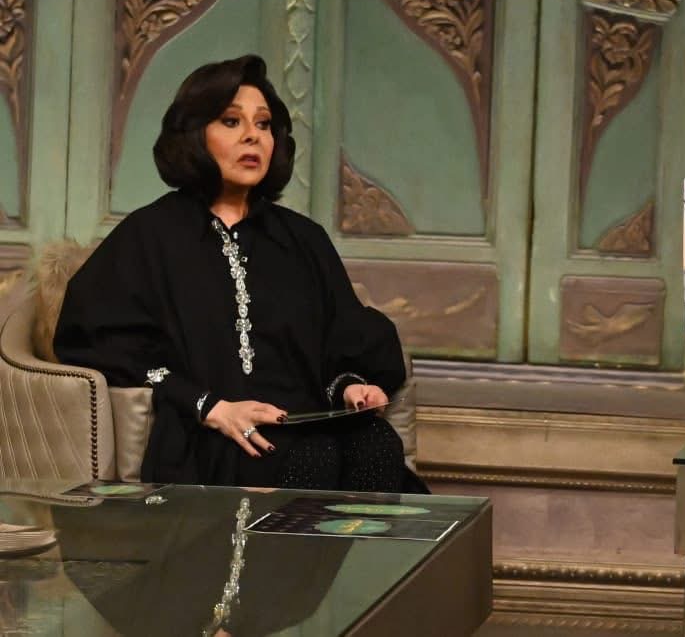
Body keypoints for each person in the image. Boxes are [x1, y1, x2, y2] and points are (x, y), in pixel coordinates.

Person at [54, 55, 427, 493]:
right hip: (215, 434)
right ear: (195, 134)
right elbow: (98, 340)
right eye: (231, 121)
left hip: (309, 423)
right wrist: (210, 406)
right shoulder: (149, 235)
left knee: (377, 445)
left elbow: (340, 335)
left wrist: (350, 386)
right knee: (313, 459)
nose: (252, 135)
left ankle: (375, 545)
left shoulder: (302, 238)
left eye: (263, 124)